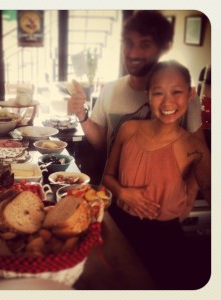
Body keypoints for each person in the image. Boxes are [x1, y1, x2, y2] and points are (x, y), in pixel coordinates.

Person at [102, 60, 211, 289]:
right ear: (148, 94)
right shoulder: (128, 129)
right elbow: (106, 178)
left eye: (177, 92)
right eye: (158, 93)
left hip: (165, 237)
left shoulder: (195, 147)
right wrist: (123, 192)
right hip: (120, 227)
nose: (168, 102)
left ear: (190, 94)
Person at [69, 10, 204, 153]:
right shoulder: (109, 90)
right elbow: (101, 143)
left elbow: (200, 153)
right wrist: (81, 114)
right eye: (128, 43)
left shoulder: (182, 96)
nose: (133, 53)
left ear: (163, 48)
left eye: (145, 45)